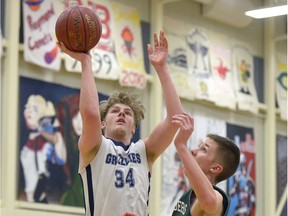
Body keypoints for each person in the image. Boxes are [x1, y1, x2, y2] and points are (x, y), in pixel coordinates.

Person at [57, 30, 183, 216]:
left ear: (134, 127)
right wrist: (86, 62)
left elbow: (175, 119)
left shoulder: (144, 151)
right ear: (102, 124)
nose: (121, 114)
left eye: (127, 113)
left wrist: (162, 68)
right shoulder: (95, 148)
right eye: (115, 111)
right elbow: (91, 114)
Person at [171, 113, 240, 216]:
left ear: (215, 168)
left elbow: (210, 201)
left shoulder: (216, 196)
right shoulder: (189, 196)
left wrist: (181, 145)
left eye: (203, 149)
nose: (194, 151)